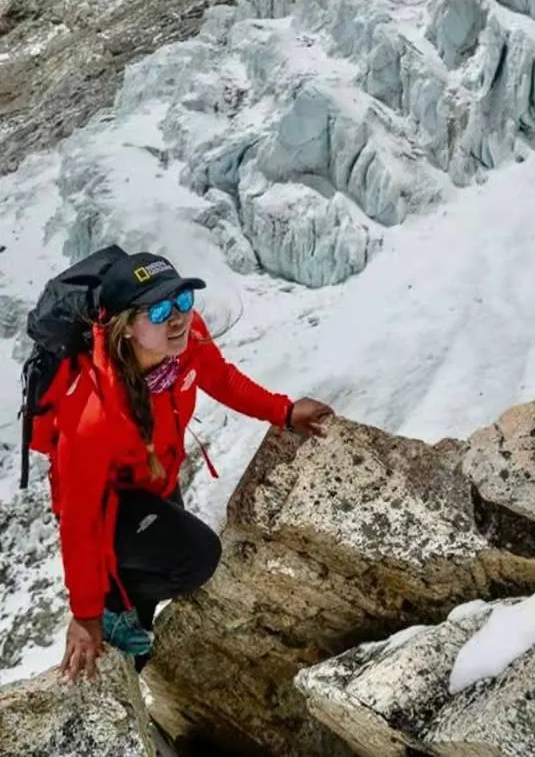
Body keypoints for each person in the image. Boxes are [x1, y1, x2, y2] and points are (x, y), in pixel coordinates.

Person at [50, 251, 334, 684]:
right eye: (161, 310)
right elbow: (79, 521)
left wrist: (283, 410)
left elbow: (221, 378)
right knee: (197, 558)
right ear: (125, 328)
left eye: (182, 301)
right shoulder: (91, 413)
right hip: (108, 507)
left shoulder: (186, 344)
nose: (179, 318)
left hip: (155, 478)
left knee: (163, 565)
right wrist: (85, 614)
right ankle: (111, 613)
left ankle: (129, 643)